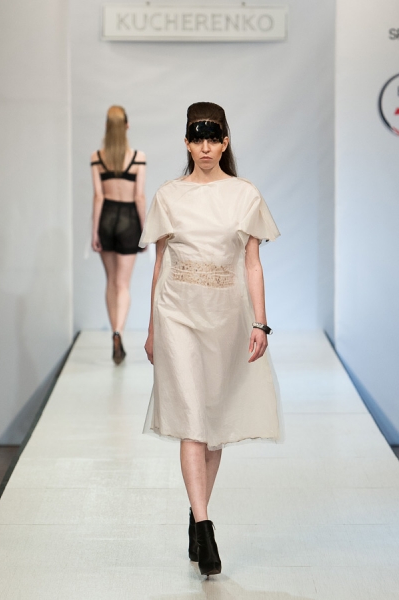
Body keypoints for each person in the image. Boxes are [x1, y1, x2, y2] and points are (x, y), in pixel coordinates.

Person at [139, 102, 282, 576]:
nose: (204, 147)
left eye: (212, 138)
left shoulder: (245, 194)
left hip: (226, 317)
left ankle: (195, 509)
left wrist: (260, 323)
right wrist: (152, 327)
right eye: (196, 138)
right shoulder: (168, 195)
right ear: (186, 142)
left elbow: (253, 264)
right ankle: (205, 527)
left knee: (214, 424)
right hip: (177, 314)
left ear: (225, 142)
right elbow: (159, 266)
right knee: (192, 422)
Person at [90, 106, 146, 364]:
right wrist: (145, 230)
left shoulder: (97, 157)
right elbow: (139, 197)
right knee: (123, 284)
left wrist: (94, 232)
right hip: (129, 221)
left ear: (106, 127)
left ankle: (114, 329)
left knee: (111, 282)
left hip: (106, 219)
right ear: (127, 126)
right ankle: (118, 332)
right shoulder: (138, 158)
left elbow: (98, 196)